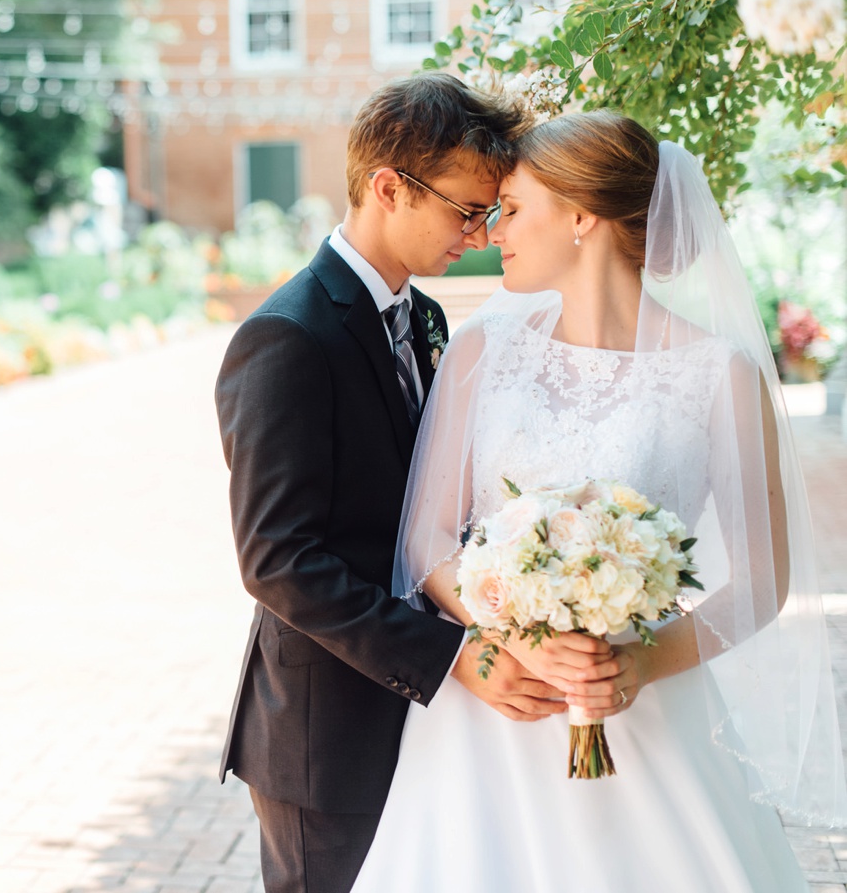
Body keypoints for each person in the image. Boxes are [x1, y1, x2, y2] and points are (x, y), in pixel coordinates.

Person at [352, 110, 847, 890]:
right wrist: (510, 635)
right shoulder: (484, 348)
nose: (492, 231)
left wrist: (640, 663)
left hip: (646, 715)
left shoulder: (719, 375)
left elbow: (760, 583)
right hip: (493, 713)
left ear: (582, 214)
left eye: (512, 208)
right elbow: (426, 544)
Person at [214, 73, 620, 893]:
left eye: (489, 214)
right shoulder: (287, 337)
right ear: (388, 187)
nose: (478, 234)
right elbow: (278, 560)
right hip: (326, 734)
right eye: (465, 209)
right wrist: (453, 657)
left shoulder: (427, 319)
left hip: (428, 729)